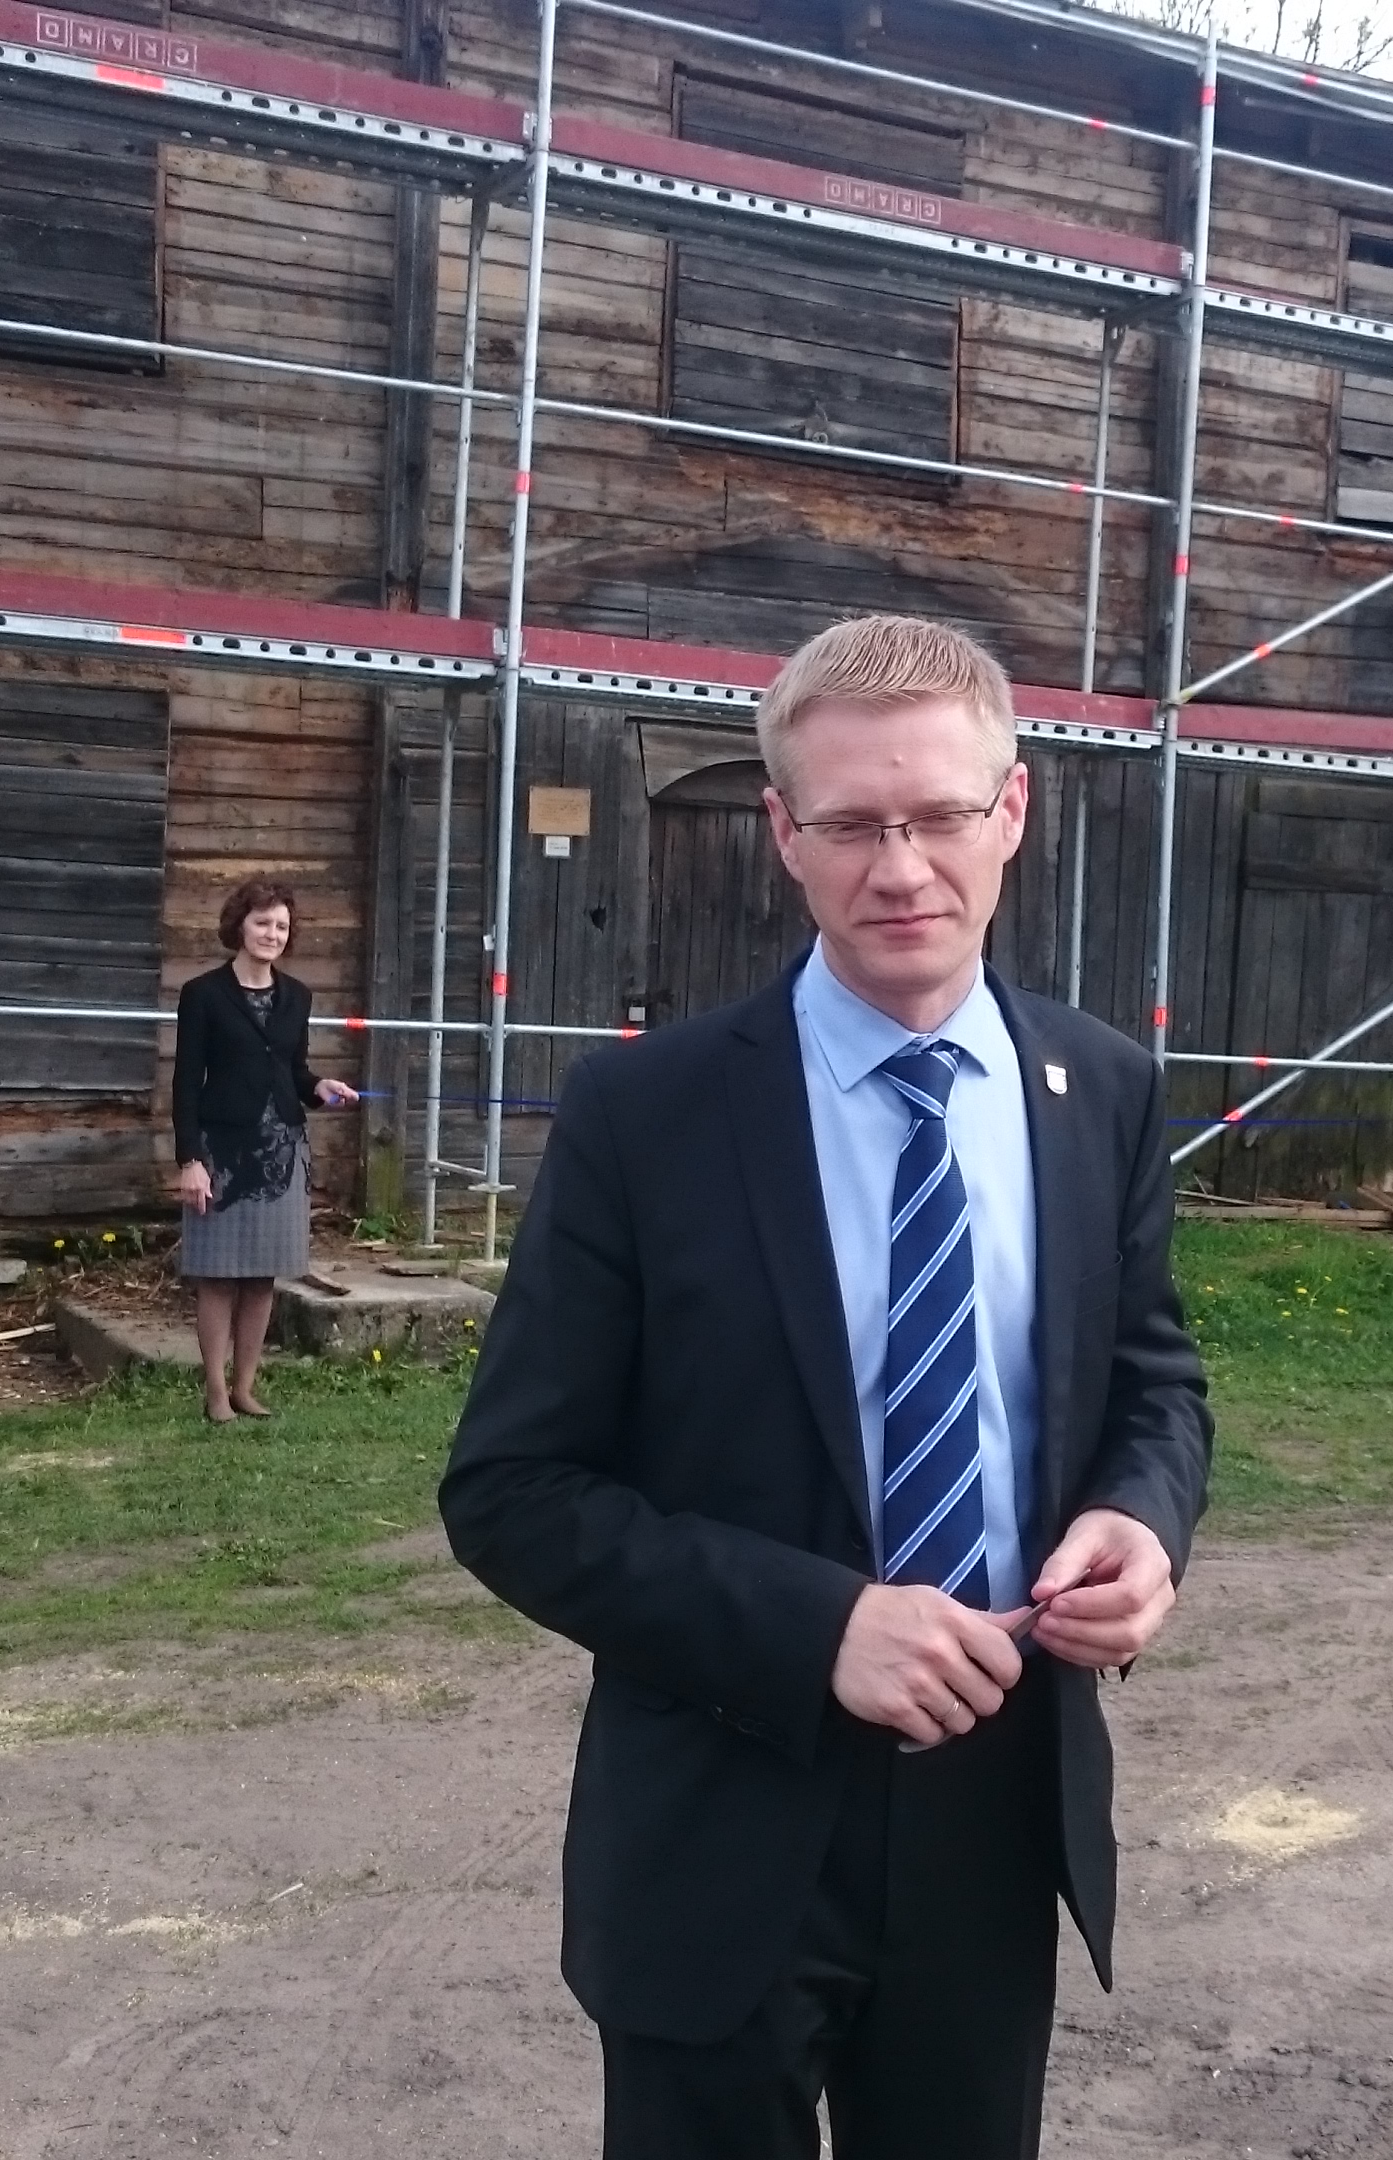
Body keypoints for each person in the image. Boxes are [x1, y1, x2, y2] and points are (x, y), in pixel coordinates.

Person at [440, 615, 1213, 2160]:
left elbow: (1153, 1382)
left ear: (1013, 810)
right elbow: (512, 1493)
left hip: (998, 1804)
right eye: (853, 825)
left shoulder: (1103, 1094)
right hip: (720, 1817)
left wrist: (1144, 1521)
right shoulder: (646, 1114)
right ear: (784, 832)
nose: (901, 869)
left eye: (939, 815)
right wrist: (819, 1631)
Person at [170, 879, 358, 1423]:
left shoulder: (297, 996)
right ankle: (214, 1391)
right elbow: (185, 1083)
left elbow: (292, 1071)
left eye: (281, 926)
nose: (271, 934)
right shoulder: (203, 994)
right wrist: (190, 1160)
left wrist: (319, 1087)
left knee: (262, 1275)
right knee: (217, 1274)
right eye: (262, 923)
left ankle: (245, 1388)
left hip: (282, 1152)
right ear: (239, 925)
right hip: (223, 1154)